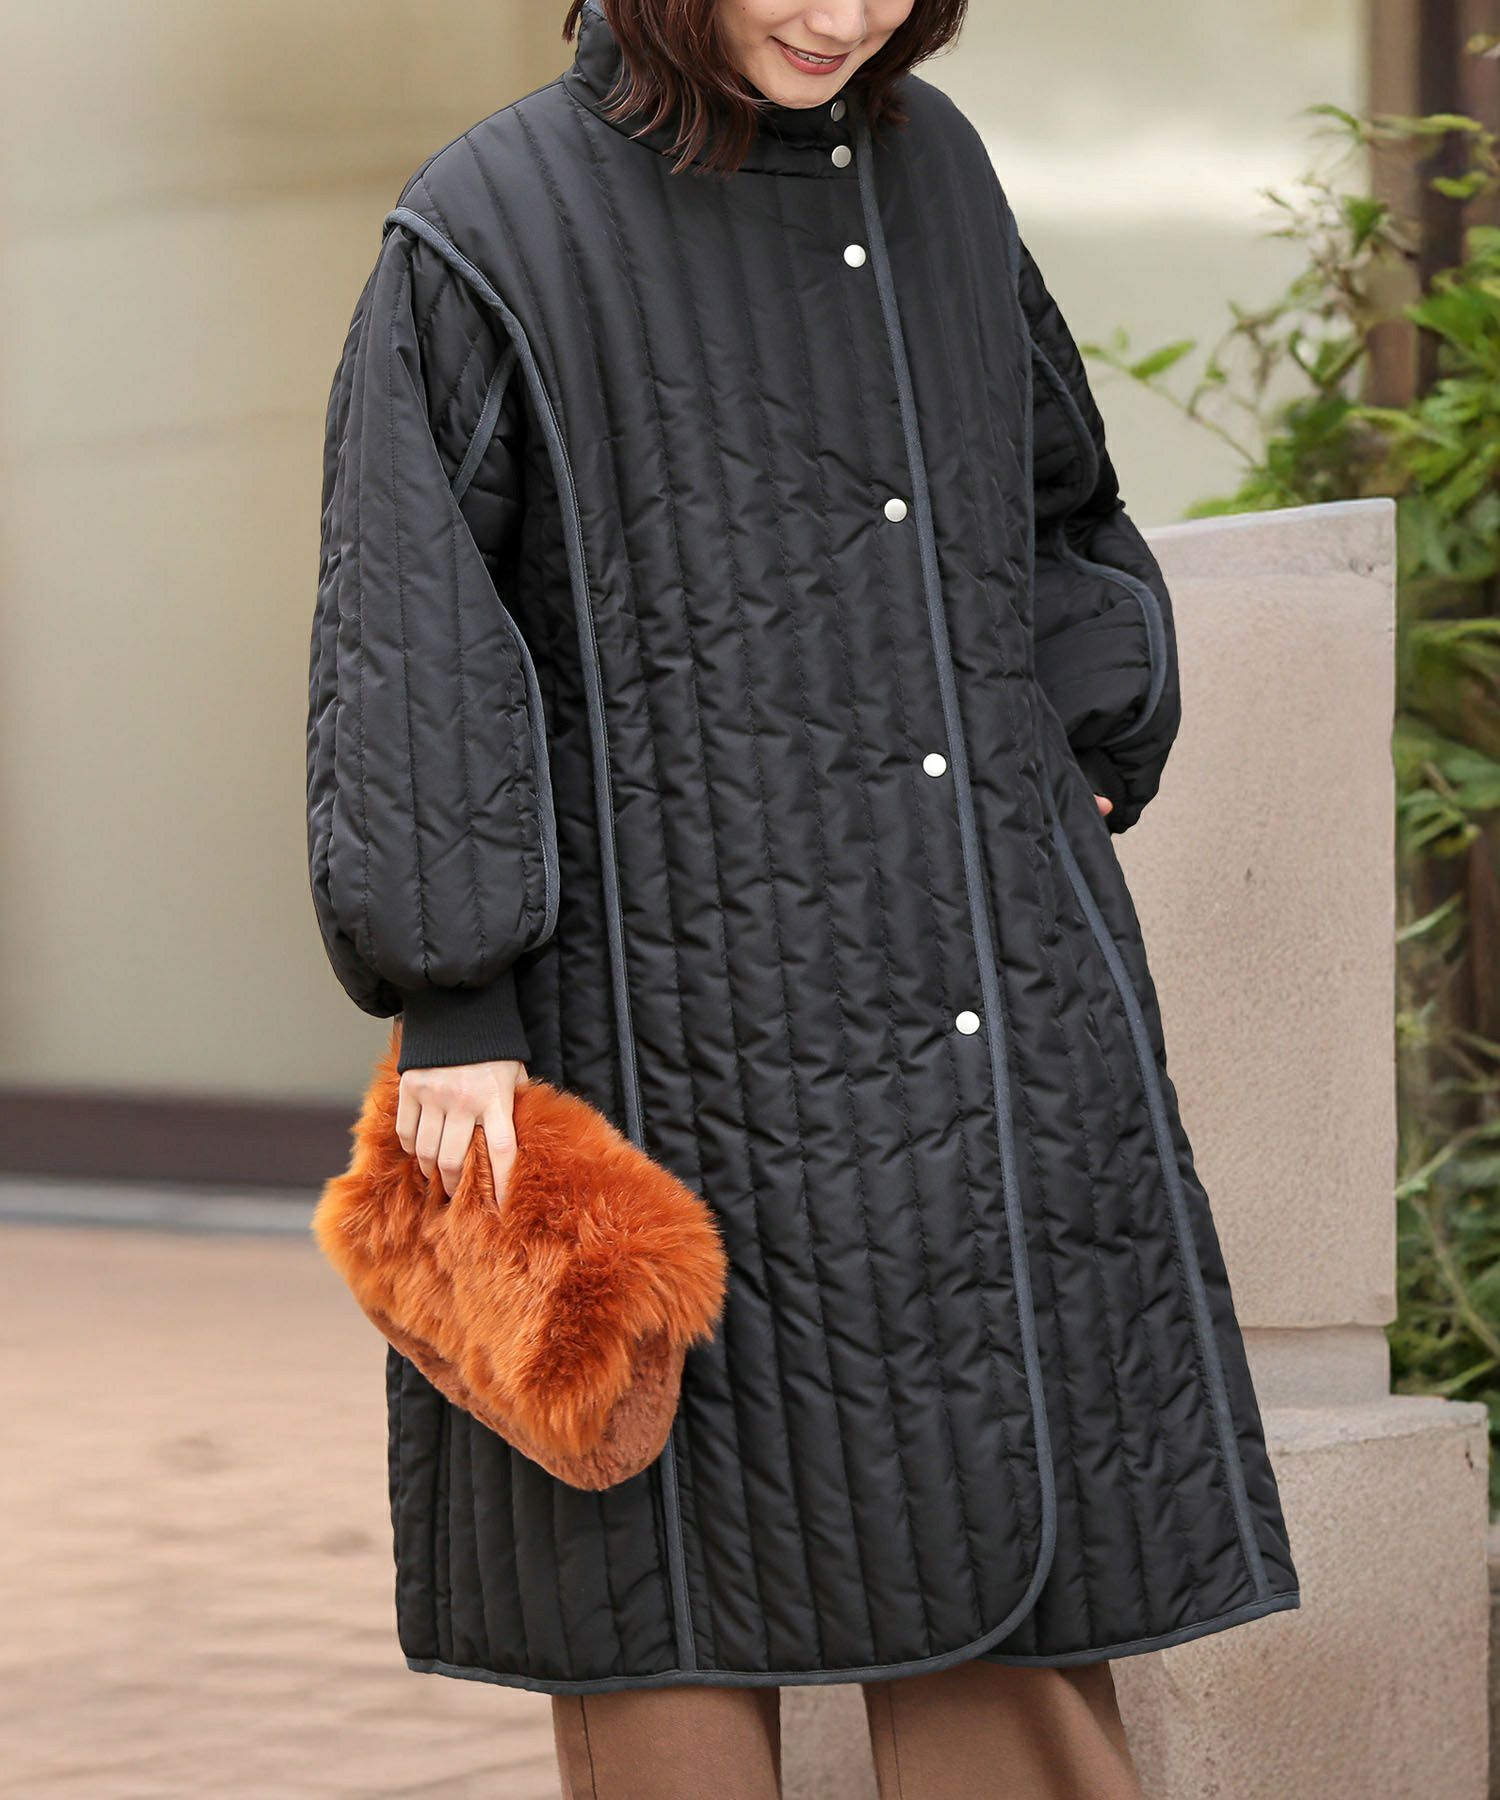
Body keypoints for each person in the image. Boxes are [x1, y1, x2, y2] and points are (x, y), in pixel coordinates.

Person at [305, 2, 1300, 1794]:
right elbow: (411, 622)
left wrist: (1084, 732)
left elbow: (1056, 502)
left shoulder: (939, 170)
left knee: (1006, 1536)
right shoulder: (490, 220)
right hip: (656, 1023)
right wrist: (451, 991)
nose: (841, 15)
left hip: (978, 976)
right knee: (666, 1598)